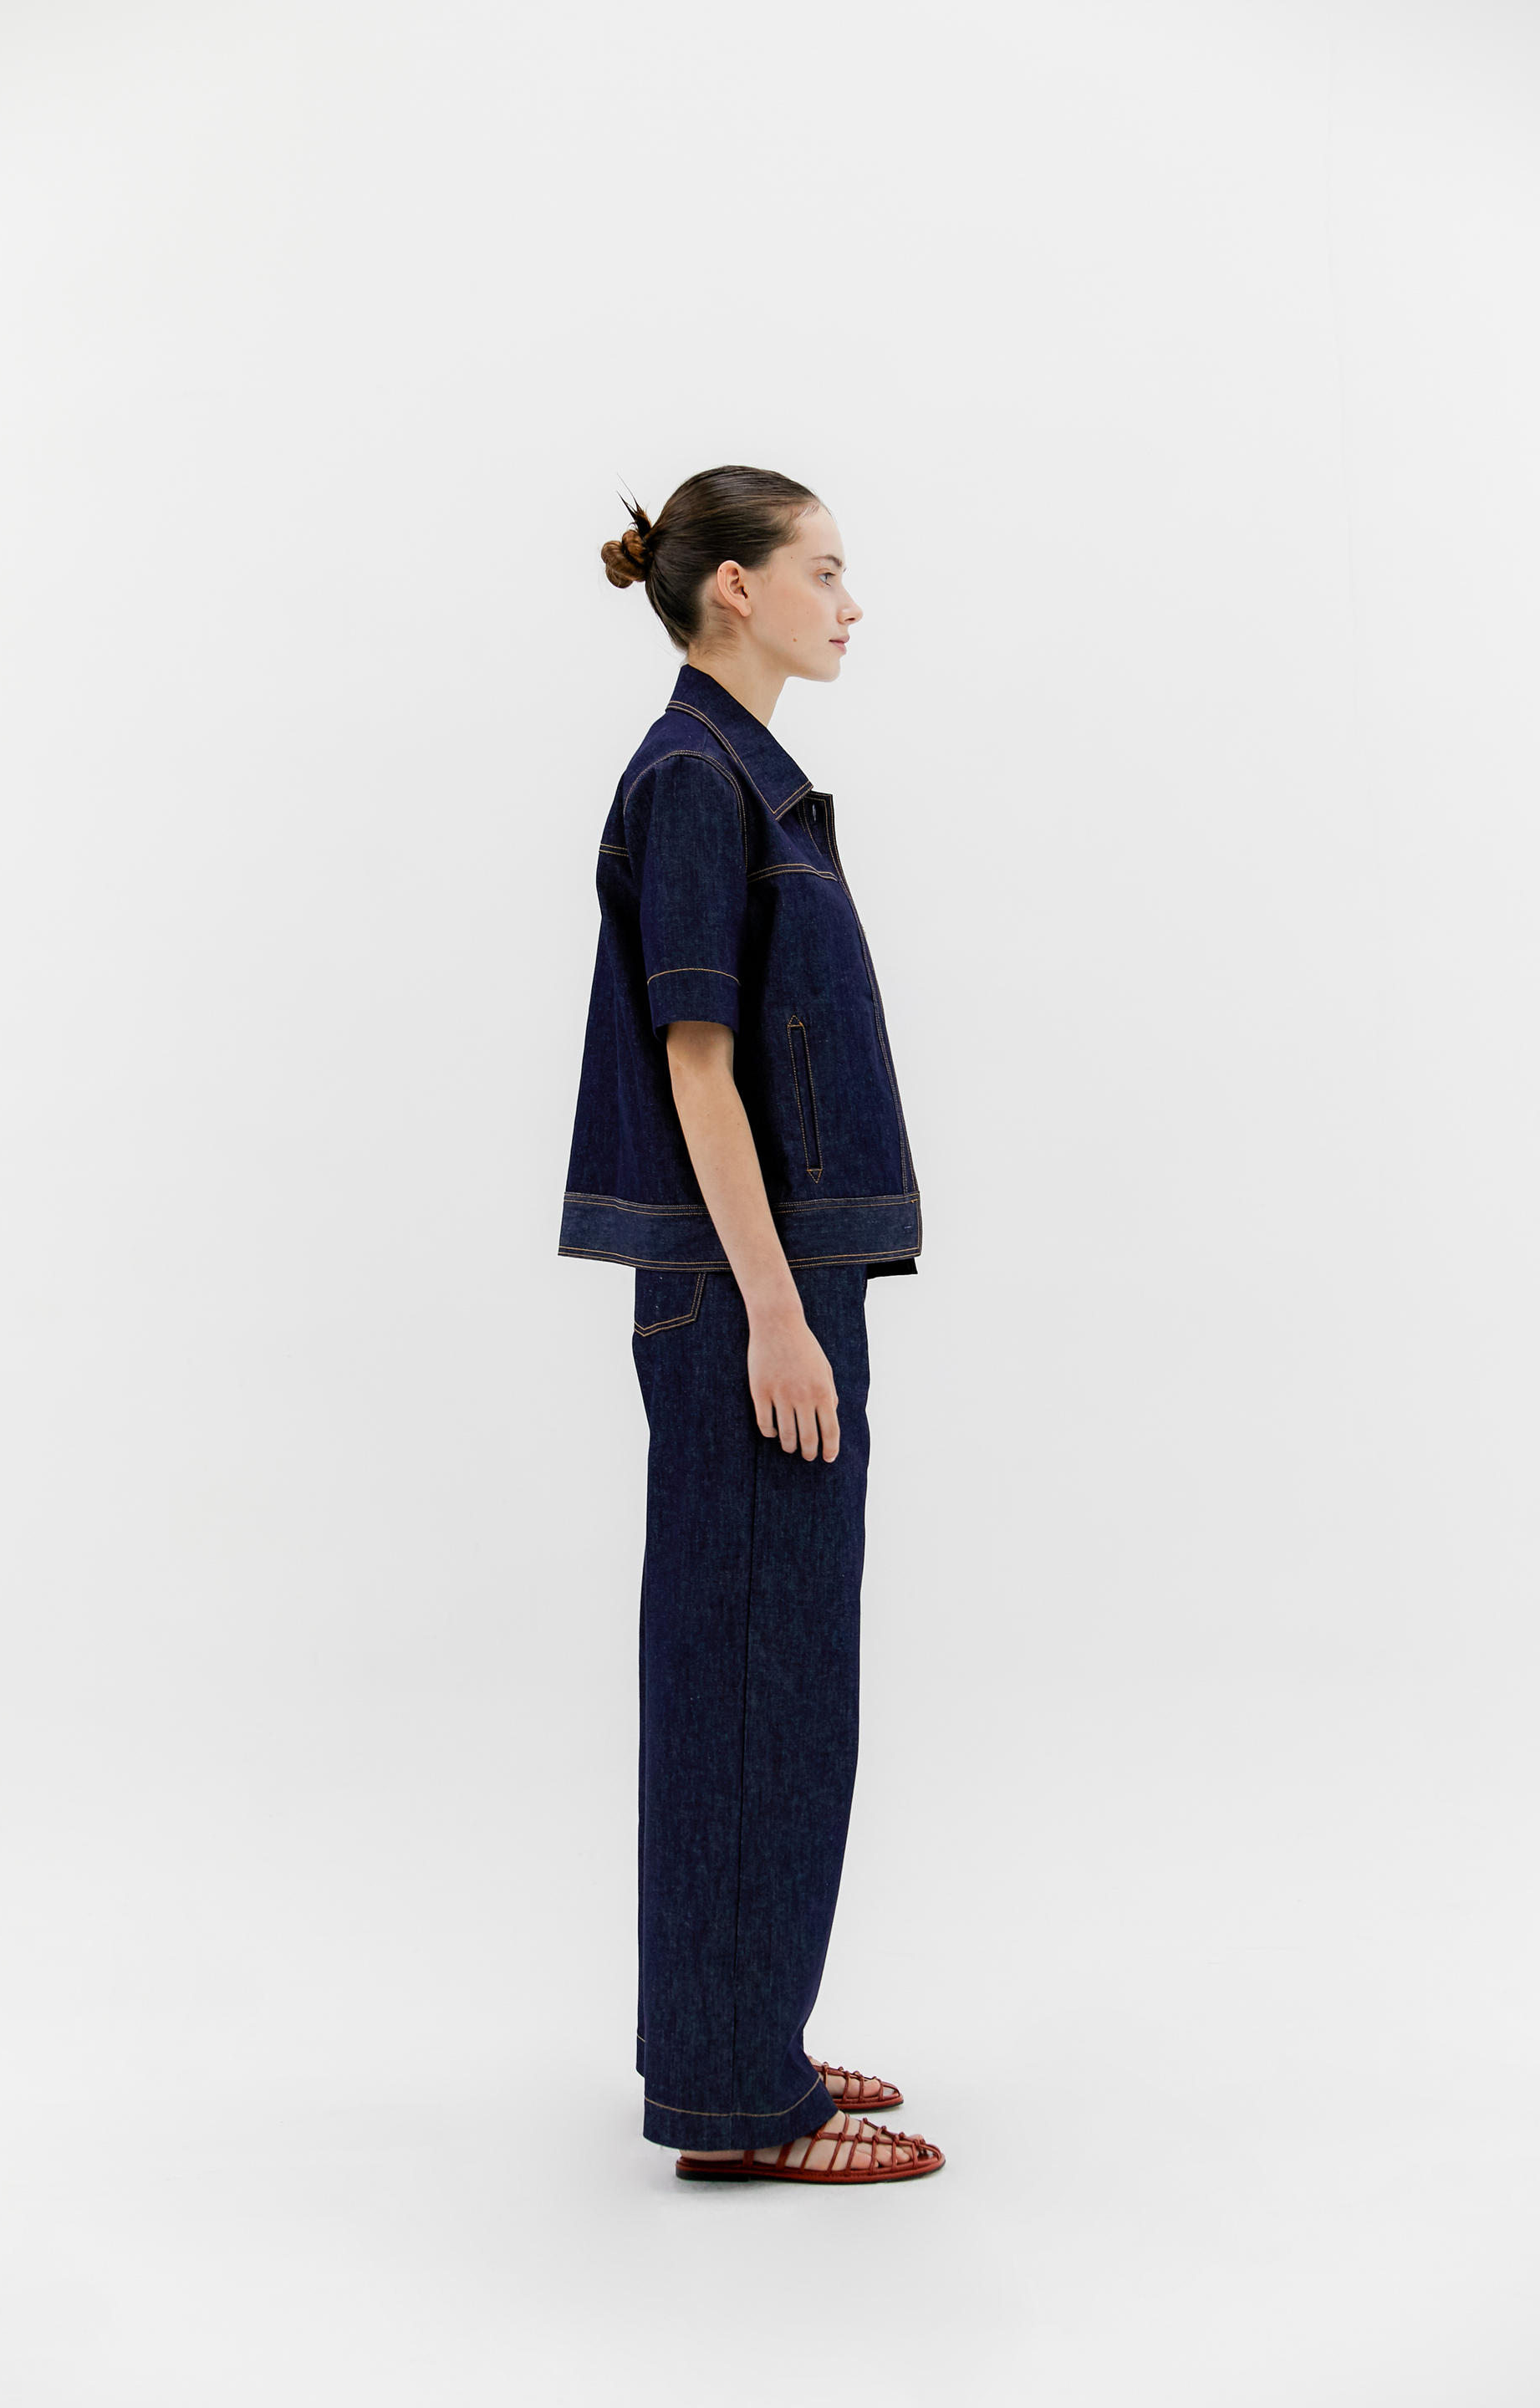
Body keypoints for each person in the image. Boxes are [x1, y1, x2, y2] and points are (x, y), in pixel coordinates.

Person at [558, 466, 942, 2186]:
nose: (851, 604)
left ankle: (741, 2040)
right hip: (748, 1295)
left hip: (768, 1285)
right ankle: (734, 2097)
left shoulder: (735, 776)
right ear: (735, 589)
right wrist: (777, 1319)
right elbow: (696, 1068)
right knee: (751, 1680)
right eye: (825, 570)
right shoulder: (698, 783)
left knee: (776, 1669)